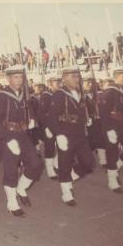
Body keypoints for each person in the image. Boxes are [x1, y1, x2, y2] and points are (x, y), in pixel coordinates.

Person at [0, 65, 43, 216]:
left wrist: (32, 120)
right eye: (16, 77)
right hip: (8, 135)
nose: (19, 80)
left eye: (21, 77)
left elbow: (30, 112)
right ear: (8, 79)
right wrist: (7, 139)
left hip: (23, 135)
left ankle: (21, 188)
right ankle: (12, 202)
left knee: (35, 164)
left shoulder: (24, 94)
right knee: (11, 169)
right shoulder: (2, 96)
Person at [47, 66, 94, 206]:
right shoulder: (59, 94)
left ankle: (71, 177)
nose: (77, 79)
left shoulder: (79, 93)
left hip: (80, 134)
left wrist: (87, 119)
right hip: (65, 134)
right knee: (65, 163)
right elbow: (52, 118)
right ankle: (66, 192)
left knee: (88, 162)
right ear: (65, 78)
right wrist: (58, 135)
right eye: (73, 76)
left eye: (77, 76)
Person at [99, 67, 123, 193]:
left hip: (122, 126)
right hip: (111, 127)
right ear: (116, 77)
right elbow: (103, 113)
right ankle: (112, 181)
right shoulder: (109, 92)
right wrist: (108, 129)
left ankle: (115, 167)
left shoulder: (121, 91)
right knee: (112, 154)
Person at [38, 74, 62, 180]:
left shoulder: (60, 94)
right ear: (50, 84)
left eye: (60, 82)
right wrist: (47, 128)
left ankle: (56, 164)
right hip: (49, 126)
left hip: (60, 124)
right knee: (50, 147)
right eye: (57, 83)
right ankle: (49, 169)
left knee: (62, 146)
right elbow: (42, 114)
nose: (60, 85)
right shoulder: (46, 96)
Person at [82, 73, 107, 168]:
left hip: (97, 121)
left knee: (101, 140)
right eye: (87, 82)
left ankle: (103, 161)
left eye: (91, 82)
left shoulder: (97, 95)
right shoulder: (80, 96)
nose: (90, 84)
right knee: (87, 143)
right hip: (86, 123)